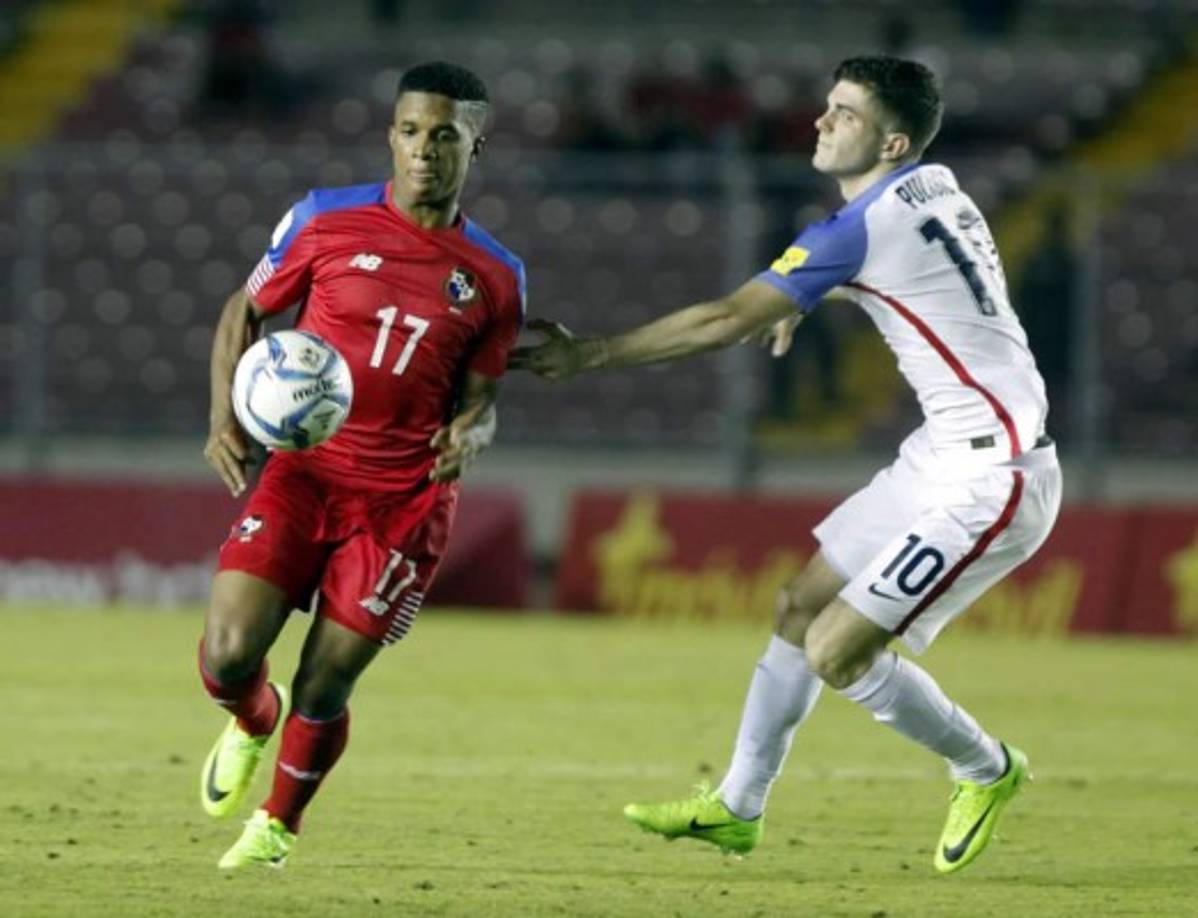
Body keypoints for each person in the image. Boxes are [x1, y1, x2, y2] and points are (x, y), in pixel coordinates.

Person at [511, 55, 1061, 875]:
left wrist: (589, 355)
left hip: (996, 479)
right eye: (827, 107)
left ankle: (987, 768)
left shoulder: (858, 229)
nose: (820, 122)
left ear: (894, 139)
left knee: (837, 650)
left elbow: (728, 318)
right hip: (945, 451)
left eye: (844, 113)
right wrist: (823, 295)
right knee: (799, 607)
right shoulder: (936, 188)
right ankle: (737, 808)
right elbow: (915, 276)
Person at [198, 61, 525, 869]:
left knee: (326, 684)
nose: (424, 150)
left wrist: (473, 435)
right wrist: (222, 418)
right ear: (391, 134)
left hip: (403, 504)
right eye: (411, 131)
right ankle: (248, 716)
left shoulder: (495, 276)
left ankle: (277, 824)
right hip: (303, 473)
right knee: (227, 654)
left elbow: (482, 399)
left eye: (444, 135)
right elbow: (247, 308)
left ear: (474, 146)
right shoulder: (323, 219)